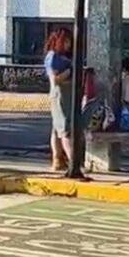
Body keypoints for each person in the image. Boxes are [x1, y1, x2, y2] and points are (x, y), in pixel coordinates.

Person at [44, 27, 74, 172]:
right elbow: (54, 79)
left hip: (67, 94)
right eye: (66, 41)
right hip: (60, 94)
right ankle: (73, 161)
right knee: (64, 129)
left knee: (57, 129)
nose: (69, 44)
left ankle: (58, 160)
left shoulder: (64, 57)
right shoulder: (53, 57)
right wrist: (70, 72)